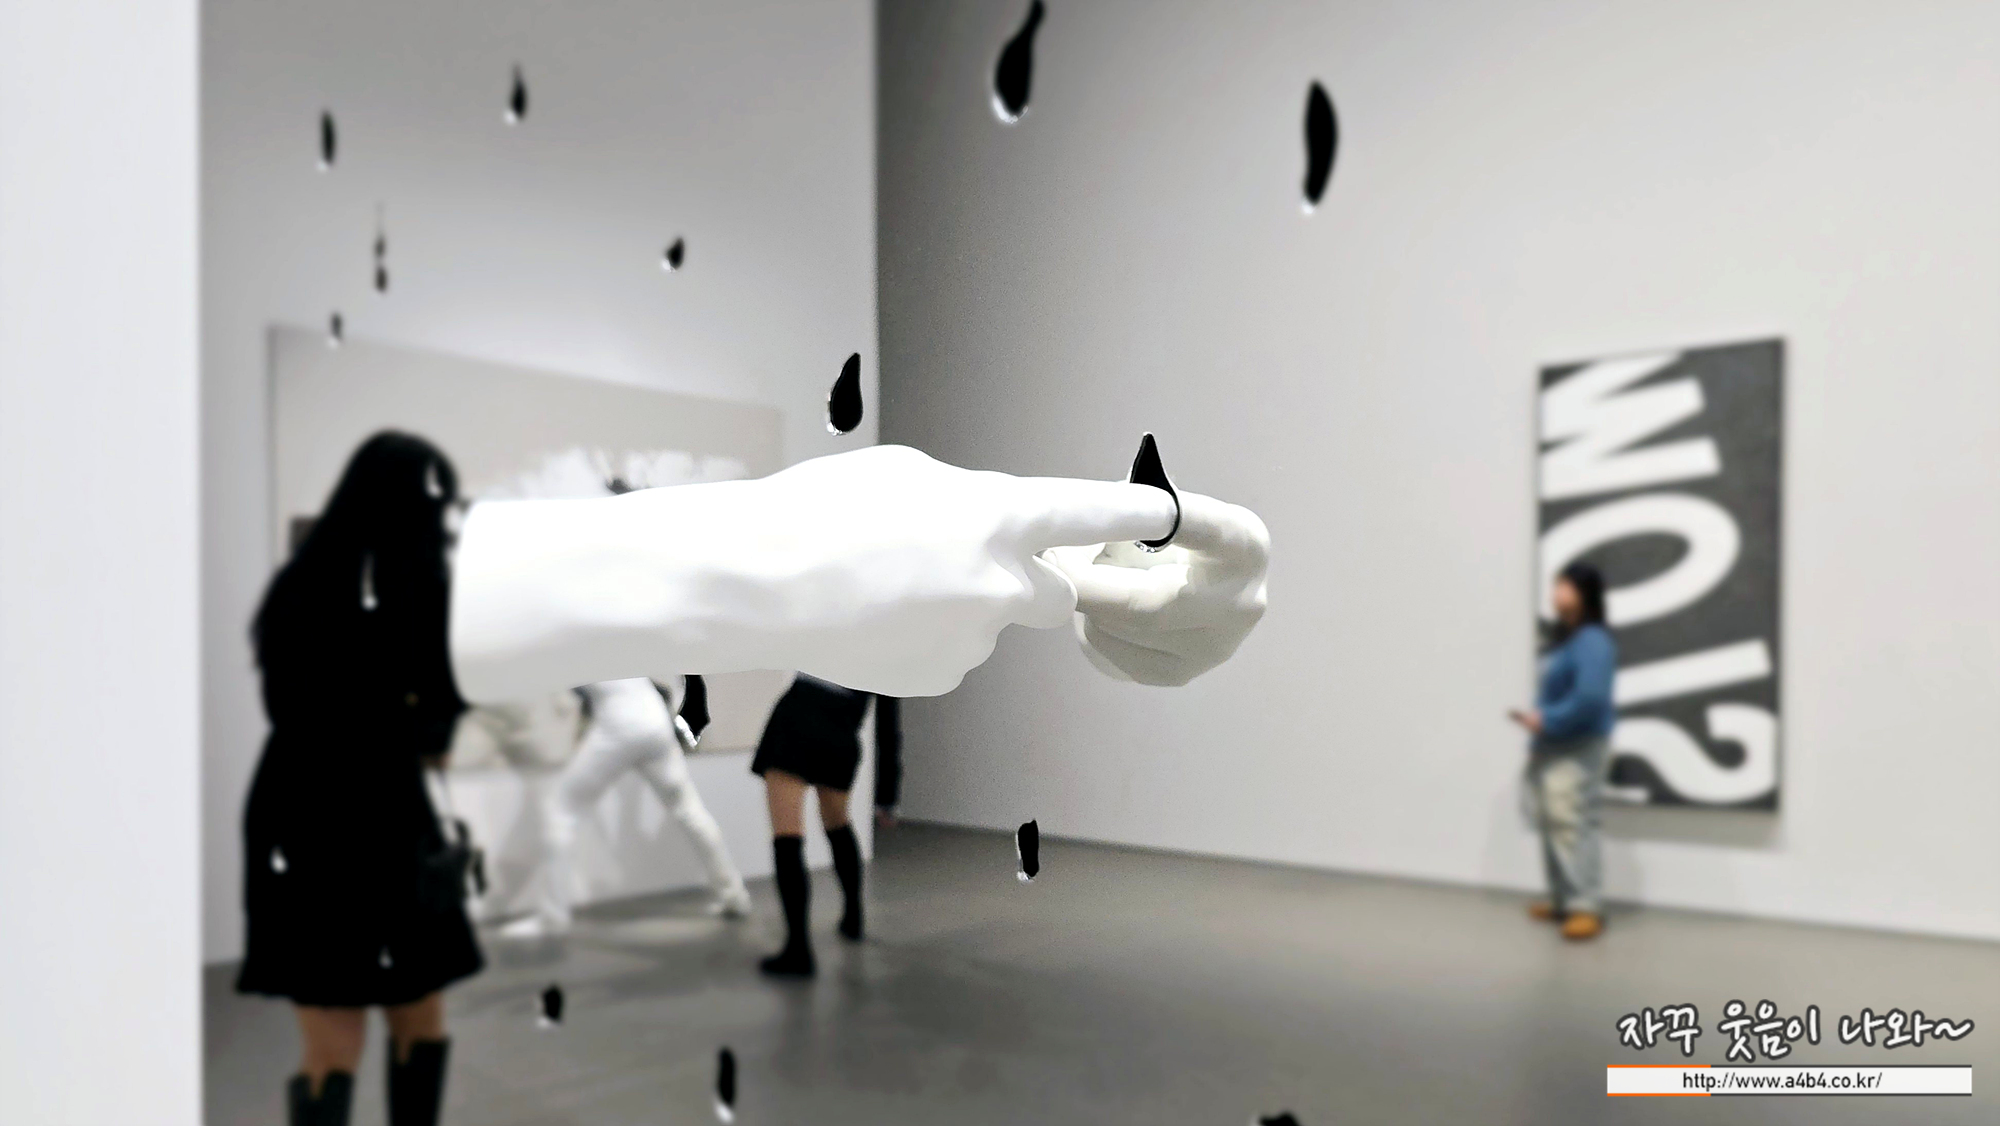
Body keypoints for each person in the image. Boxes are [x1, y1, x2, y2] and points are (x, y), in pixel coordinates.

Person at [250, 432, 1268, 1124]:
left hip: (364, 822)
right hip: (356, 823)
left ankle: (783, 917)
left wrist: (774, 569)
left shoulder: (332, 619)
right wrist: (772, 564)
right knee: (379, 1017)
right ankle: (790, 914)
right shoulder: (336, 621)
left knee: (384, 1017)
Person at [239, 433, 479, 1126]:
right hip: (381, 811)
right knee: (417, 1013)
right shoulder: (422, 590)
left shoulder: (299, 582)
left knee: (332, 1036)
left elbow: (286, 708)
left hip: (299, 811)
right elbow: (435, 729)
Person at [500, 674, 752, 939]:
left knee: (559, 810)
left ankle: (552, 917)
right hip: (654, 719)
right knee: (688, 810)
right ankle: (734, 896)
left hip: (619, 725)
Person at [748, 675, 902, 977]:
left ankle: (798, 950)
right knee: (838, 826)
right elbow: (889, 726)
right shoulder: (886, 656)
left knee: (787, 838)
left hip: (795, 726)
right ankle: (853, 917)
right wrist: (887, 796)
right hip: (840, 735)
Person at [1509, 561, 1618, 942]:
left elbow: (1590, 699)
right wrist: (1539, 733)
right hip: (1553, 744)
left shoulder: (1593, 641)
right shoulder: (1565, 639)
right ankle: (1562, 899)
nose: (1556, 593)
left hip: (1578, 746)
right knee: (1554, 822)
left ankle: (1586, 905)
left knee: (1573, 822)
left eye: (1565, 586)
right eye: (1556, 585)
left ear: (1586, 593)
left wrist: (1546, 719)